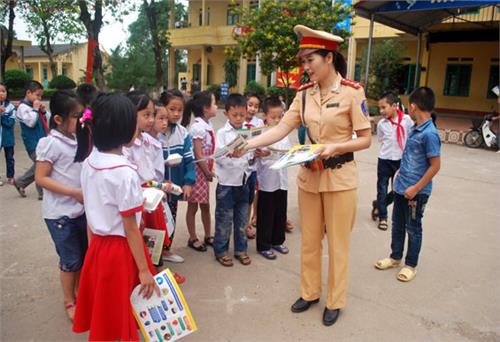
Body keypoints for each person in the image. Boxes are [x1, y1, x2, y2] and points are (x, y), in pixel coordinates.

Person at [235, 25, 371, 326]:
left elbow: (365, 138)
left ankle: (335, 300)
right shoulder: (304, 95)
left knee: (338, 243)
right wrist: (247, 143)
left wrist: (335, 147)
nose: (305, 67)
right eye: (303, 61)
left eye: (310, 60)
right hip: (310, 178)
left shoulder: (352, 92)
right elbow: (282, 128)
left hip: (340, 178)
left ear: (329, 58)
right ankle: (309, 293)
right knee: (309, 241)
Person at [72, 93, 159, 341]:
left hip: (98, 246)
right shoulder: (124, 172)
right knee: (125, 304)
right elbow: (130, 227)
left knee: (108, 308)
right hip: (122, 250)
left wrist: (92, 250)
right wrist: (144, 270)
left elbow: (90, 211)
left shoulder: (89, 163)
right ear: (124, 129)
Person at [375, 87, 441, 282]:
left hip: (416, 192)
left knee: (413, 228)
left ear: (413, 107)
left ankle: (411, 265)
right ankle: (395, 257)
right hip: (401, 187)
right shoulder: (414, 127)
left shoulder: (429, 134)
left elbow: (435, 166)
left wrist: (416, 188)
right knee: (397, 225)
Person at [34, 90, 87, 321]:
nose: (82, 120)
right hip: (60, 215)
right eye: (77, 116)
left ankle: (78, 294)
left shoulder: (77, 139)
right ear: (58, 119)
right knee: (70, 260)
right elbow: (41, 178)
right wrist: (73, 192)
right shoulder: (50, 143)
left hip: (80, 210)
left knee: (81, 257)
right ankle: (69, 301)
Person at [124, 91, 185, 284]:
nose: (151, 120)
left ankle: (157, 271)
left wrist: (160, 187)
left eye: (152, 115)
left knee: (155, 236)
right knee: (138, 238)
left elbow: (156, 172)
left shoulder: (151, 142)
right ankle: (143, 273)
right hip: (136, 199)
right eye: (146, 115)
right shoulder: (124, 147)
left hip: (154, 197)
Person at [213, 93, 253, 267]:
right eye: (234, 115)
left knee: (242, 219)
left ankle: (241, 249)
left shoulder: (248, 131)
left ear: (246, 113)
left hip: (243, 182)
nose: (238, 119)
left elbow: (250, 155)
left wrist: (254, 155)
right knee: (224, 219)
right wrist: (230, 154)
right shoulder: (222, 133)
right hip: (226, 185)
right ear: (227, 114)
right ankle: (221, 251)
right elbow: (217, 156)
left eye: (242, 115)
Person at [158, 90, 196, 262]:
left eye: (179, 110)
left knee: (171, 218)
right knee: (156, 221)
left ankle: (166, 251)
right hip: (157, 188)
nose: (175, 114)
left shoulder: (182, 133)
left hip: (174, 188)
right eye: (171, 109)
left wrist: (188, 182)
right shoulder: (154, 132)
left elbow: (189, 160)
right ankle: (154, 255)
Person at [255, 97, 291, 260]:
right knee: (266, 214)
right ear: (265, 117)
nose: (277, 120)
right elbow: (256, 154)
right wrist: (262, 154)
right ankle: (264, 244)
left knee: (280, 212)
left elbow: (288, 152)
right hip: (267, 182)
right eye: (273, 117)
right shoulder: (262, 134)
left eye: (280, 116)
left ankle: (278, 240)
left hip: (282, 181)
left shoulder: (284, 133)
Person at [183, 91, 217, 252]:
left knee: (205, 205)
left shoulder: (207, 125)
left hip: (204, 172)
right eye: (214, 103)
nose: (217, 106)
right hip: (197, 172)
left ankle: (208, 235)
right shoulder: (197, 127)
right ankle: (193, 237)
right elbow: (198, 154)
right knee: (193, 206)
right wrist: (206, 172)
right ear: (205, 108)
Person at [373, 91, 414, 230]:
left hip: (400, 161)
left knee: (397, 191)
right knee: (382, 189)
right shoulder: (381, 124)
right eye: (380, 108)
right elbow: (381, 139)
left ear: (394, 106)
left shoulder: (407, 121)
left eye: (384, 107)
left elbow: (410, 137)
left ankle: (379, 204)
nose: (381, 111)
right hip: (384, 160)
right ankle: (383, 217)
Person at [14, 80, 49, 199]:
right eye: (37, 95)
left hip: (42, 141)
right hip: (33, 143)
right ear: (28, 93)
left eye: (40, 95)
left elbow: (48, 120)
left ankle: (21, 182)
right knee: (41, 166)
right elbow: (31, 123)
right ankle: (41, 191)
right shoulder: (23, 108)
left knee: (40, 165)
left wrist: (43, 111)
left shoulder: (33, 106)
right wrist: (35, 109)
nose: (39, 98)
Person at [243, 92, 264, 239]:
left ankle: (247, 223)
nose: (252, 109)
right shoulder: (238, 121)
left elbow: (262, 140)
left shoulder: (259, 123)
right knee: (240, 199)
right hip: (240, 168)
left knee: (250, 197)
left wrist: (260, 150)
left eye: (256, 106)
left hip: (254, 167)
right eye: (250, 105)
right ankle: (239, 224)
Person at [0, 82, 16, 186]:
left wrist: (2, 115)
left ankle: (10, 176)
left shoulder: (10, 107)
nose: (1, 93)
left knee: (10, 158)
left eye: (3, 91)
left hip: (8, 138)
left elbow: (10, 123)